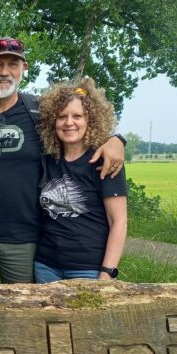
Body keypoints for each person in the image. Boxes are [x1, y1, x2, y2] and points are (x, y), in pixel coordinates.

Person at [0, 36, 126, 284]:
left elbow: (79, 126)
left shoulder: (40, 111)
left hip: (27, 242)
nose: (4, 72)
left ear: (24, 68)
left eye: (13, 64)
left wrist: (117, 140)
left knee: (26, 308)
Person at [34, 78, 127, 282]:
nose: (69, 122)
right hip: (45, 266)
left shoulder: (105, 161)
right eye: (62, 116)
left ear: (90, 120)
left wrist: (107, 272)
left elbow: (118, 221)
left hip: (88, 269)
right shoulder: (47, 161)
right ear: (53, 122)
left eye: (77, 116)